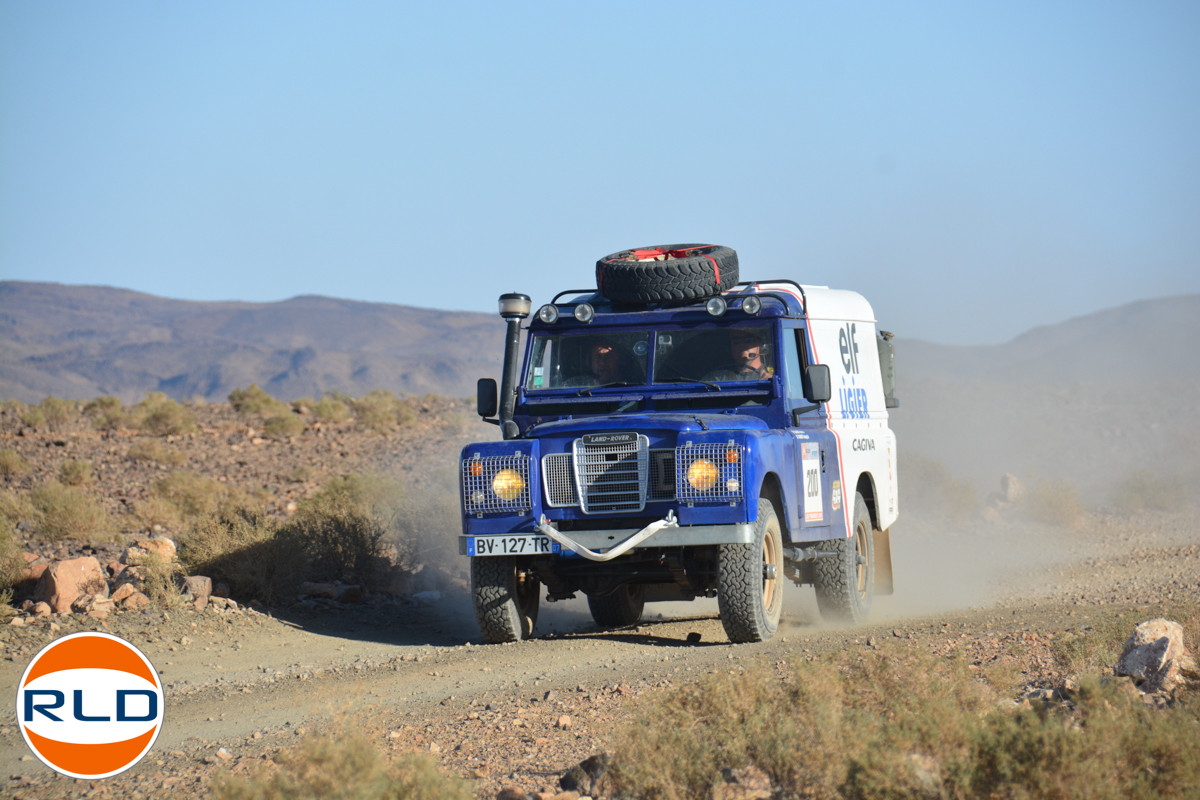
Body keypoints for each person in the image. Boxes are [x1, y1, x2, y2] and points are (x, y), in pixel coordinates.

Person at [705, 330, 773, 381]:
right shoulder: (717, 378)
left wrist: (770, 381)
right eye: (736, 342)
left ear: (762, 346)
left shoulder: (772, 375)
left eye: (748, 340)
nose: (742, 345)